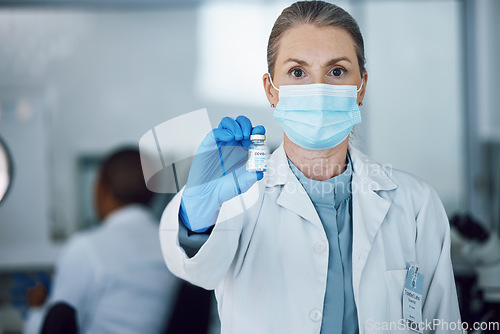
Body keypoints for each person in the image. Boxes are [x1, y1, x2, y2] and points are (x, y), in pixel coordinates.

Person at [159, 1, 461, 333]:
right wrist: (197, 217)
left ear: (361, 87)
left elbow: (443, 323)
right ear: (270, 91)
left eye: (336, 71)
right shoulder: (237, 198)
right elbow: (196, 272)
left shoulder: (415, 204)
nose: (318, 90)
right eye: (298, 72)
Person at [24, 148, 178, 334]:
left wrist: (36, 310)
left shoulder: (86, 248)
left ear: (100, 187)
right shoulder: (173, 246)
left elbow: (54, 329)